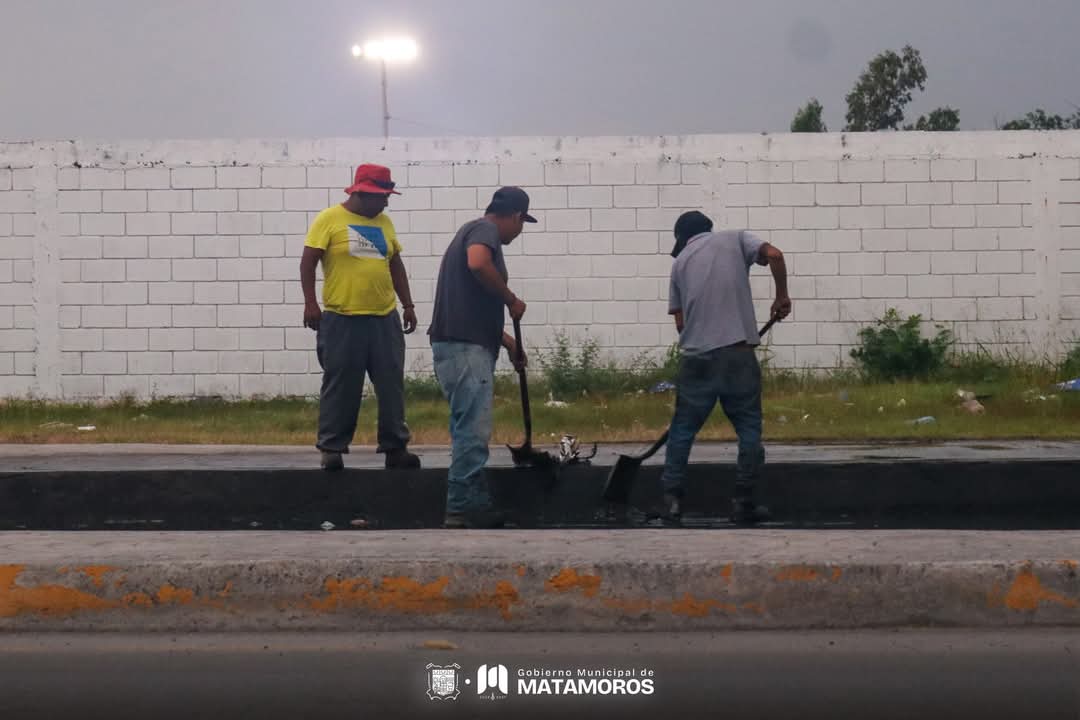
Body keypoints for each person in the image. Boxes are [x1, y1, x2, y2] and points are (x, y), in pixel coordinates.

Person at [661, 211, 791, 525]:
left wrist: (704, 335)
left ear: (684, 239)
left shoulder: (679, 264)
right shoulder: (736, 239)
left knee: (682, 431)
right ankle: (743, 502)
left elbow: (680, 323)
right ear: (709, 229)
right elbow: (775, 255)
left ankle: (673, 502)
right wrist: (781, 297)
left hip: (697, 358)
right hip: (738, 354)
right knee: (748, 429)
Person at [300, 164, 421, 471]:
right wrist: (311, 303)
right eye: (382, 196)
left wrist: (407, 305)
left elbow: (395, 264)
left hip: (383, 318)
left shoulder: (385, 223)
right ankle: (332, 448)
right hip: (342, 318)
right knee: (341, 384)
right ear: (362, 193)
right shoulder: (329, 219)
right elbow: (308, 262)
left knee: (391, 385)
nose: (386, 202)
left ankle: (395, 447)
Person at [428, 187, 534, 528]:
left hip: (464, 343)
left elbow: (470, 308)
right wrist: (510, 298)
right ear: (515, 216)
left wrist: (507, 343)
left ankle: (471, 501)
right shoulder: (484, 230)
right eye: (522, 224)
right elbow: (477, 262)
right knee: (473, 429)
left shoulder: (471, 231)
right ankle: (462, 507)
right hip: (464, 348)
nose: (520, 233)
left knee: (468, 427)